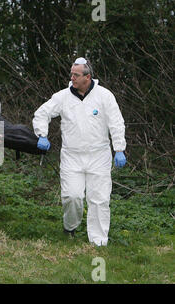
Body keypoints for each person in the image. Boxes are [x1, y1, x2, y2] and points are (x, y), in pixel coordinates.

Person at [32, 57, 127, 246]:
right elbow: (42, 113)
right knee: (72, 196)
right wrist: (42, 134)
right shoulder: (63, 97)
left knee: (99, 199)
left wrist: (119, 148)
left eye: (76, 75)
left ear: (87, 77)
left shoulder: (104, 96)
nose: (72, 78)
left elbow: (116, 122)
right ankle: (70, 227)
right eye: (71, 74)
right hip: (71, 156)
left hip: (99, 155)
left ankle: (99, 241)